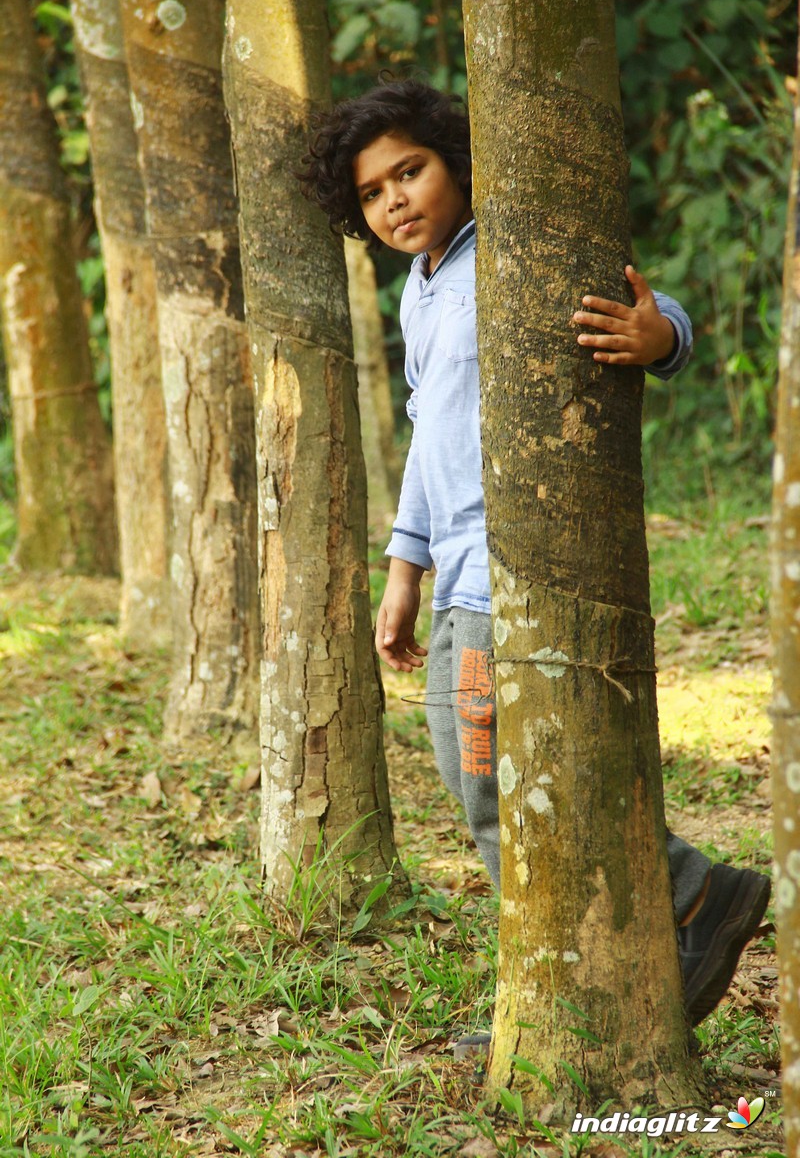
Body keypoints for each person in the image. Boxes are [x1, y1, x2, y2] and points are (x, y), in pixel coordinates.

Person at [300, 78, 771, 1041]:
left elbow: (643, 298)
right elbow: (430, 441)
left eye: (411, 171)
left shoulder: (511, 246)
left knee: (484, 777)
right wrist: (401, 571)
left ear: (455, 161)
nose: (396, 201)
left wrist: (661, 335)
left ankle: (663, 915)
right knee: (483, 772)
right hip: (456, 568)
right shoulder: (421, 291)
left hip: (514, 561)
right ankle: (592, 965)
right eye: (373, 193)